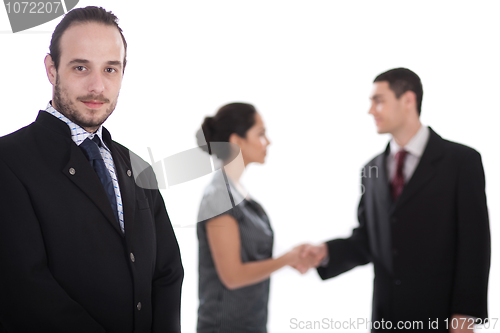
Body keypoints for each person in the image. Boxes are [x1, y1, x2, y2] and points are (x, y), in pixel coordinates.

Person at [0, 7, 183, 333]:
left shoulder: (137, 168)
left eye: (110, 69)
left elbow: (167, 272)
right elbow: (24, 289)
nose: (97, 86)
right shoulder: (7, 161)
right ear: (52, 69)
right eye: (81, 67)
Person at [301, 68, 490, 332]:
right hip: (386, 319)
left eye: (378, 100)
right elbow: (368, 240)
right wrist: (326, 252)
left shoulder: (461, 161)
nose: (371, 110)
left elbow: (475, 243)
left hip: (441, 318)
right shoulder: (371, 170)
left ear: (408, 100)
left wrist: (466, 315)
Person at [196, 102, 313, 333]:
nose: (267, 142)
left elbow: (253, 255)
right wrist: (287, 260)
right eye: (260, 134)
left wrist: (293, 256)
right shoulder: (219, 198)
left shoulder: (238, 193)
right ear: (237, 141)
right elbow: (232, 276)